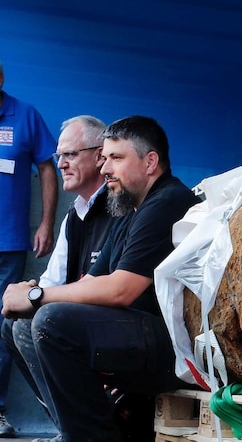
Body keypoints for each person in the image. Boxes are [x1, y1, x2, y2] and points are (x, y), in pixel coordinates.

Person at [1, 115, 200, 441]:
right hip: (138, 337)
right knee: (21, 324)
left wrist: (37, 298)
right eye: (105, 159)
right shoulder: (131, 207)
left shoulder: (168, 201)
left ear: (150, 162)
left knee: (52, 320)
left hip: (174, 349)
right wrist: (31, 294)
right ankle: (80, 430)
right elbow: (90, 281)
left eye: (116, 158)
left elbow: (122, 289)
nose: (106, 168)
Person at [1, 115, 113, 440]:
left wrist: (34, 298)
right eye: (58, 156)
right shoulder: (74, 215)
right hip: (84, 322)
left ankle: (85, 429)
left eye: (70, 155)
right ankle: (69, 428)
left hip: (121, 324)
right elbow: (49, 284)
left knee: (43, 321)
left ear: (99, 155)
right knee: (15, 325)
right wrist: (23, 294)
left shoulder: (122, 207)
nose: (61, 163)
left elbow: (115, 288)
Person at [0, 59, 58, 437]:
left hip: (8, 243)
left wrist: (47, 222)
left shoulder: (24, 114)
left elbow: (49, 168)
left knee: (3, 327)